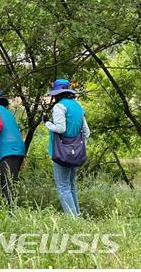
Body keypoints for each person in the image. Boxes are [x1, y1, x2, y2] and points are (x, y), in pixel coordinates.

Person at [44, 79, 90, 217]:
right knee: (71, 186)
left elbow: (60, 128)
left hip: (61, 152)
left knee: (63, 187)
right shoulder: (78, 106)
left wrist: (47, 123)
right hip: (76, 151)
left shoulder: (59, 107)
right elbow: (86, 132)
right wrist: (77, 147)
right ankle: (77, 217)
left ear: (57, 93)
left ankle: (73, 220)